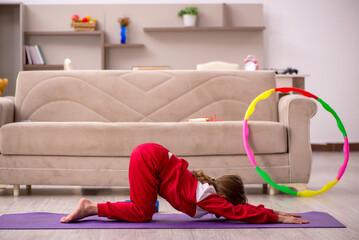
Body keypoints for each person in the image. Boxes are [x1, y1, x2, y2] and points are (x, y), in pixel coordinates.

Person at [61, 143, 309, 224]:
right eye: (225, 209)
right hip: (149, 159)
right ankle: (90, 207)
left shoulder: (206, 187)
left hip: (153, 154)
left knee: (150, 206)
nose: (223, 214)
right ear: (224, 200)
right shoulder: (207, 198)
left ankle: (125, 204)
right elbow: (238, 212)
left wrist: (273, 209)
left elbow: (241, 207)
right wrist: (278, 219)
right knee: (143, 213)